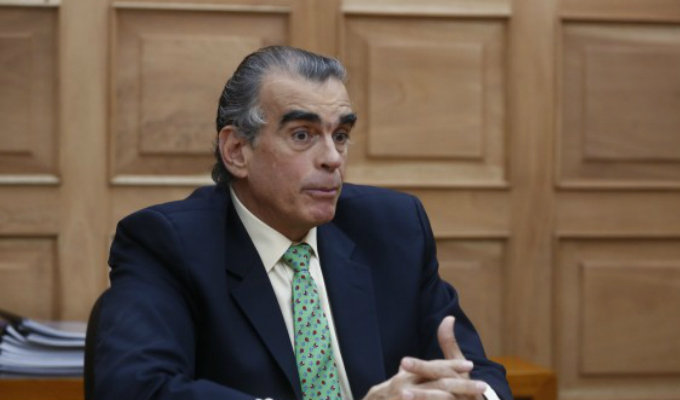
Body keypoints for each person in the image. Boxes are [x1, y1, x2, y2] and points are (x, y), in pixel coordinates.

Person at [92, 46, 512, 400]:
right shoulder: (167, 245)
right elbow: (136, 388)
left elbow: (479, 372)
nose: (332, 158)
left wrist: (470, 395)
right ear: (236, 150)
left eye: (340, 136)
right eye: (302, 135)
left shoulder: (393, 228)